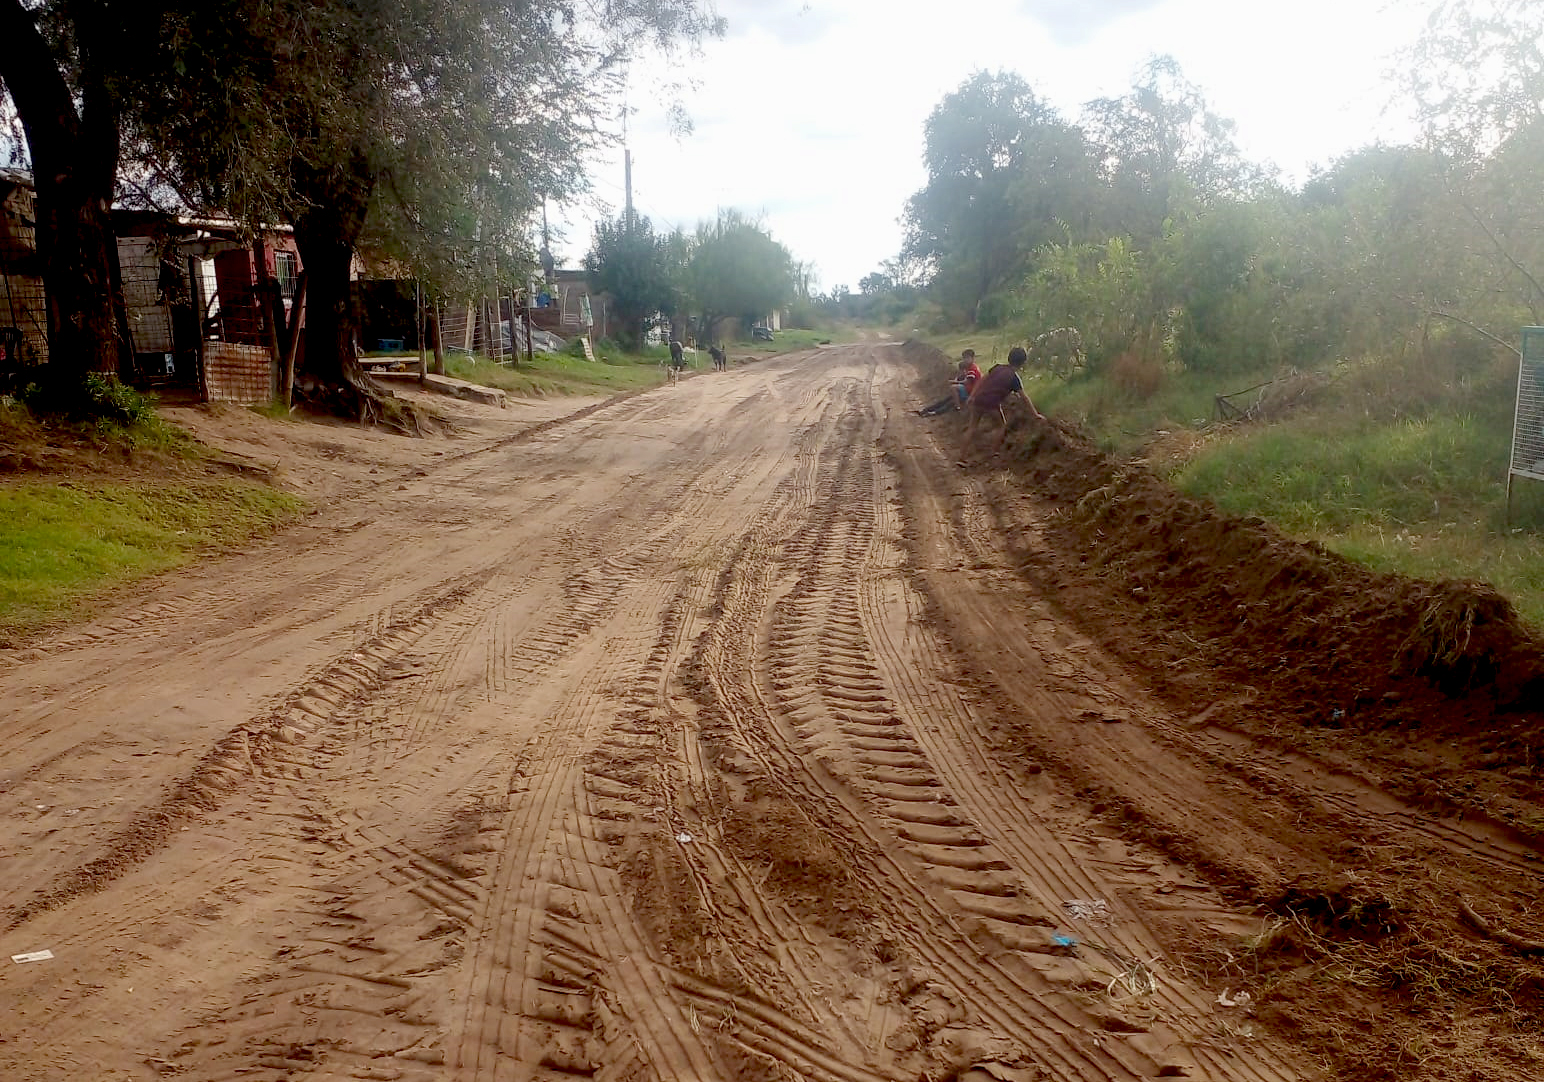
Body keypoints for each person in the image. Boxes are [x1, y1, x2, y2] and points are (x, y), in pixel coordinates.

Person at [959, 346, 1044, 465]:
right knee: (1001, 425)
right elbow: (1024, 397)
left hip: (978, 399)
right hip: (991, 404)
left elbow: (982, 380)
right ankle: (993, 453)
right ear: (1022, 363)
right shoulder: (1014, 378)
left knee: (972, 427)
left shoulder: (997, 367)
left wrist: (972, 396)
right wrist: (1035, 414)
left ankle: (961, 458)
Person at [917, 349, 982, 415]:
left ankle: (956, 408)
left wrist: (955, 382)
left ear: (973, 358)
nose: (965, 360)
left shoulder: (972, 369)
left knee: (951, 395)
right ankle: (926, 410)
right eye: (964, 358)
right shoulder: (970, 368)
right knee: (945, 401)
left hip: (970, 392)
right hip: (967, 390)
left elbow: (966, 382)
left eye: (967, 358)